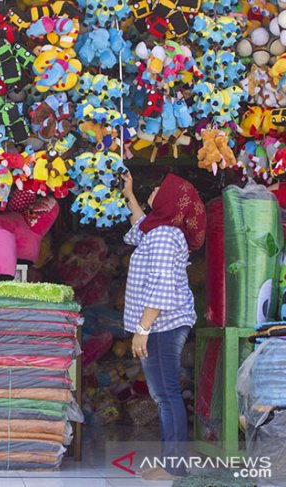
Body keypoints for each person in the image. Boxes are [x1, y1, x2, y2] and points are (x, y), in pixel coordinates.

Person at [120, 171, 207, 480]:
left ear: (170, 200)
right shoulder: (162, 230)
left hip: (163, 324)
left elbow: (161, 285)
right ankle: (171, 464)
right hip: (164, 323)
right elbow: (140, 226)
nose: (153, 190)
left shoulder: (163, 235)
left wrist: (142, 330)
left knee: (166, 395)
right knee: (165, 395)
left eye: (158, 188)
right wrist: (129, 194)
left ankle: (175, 468)